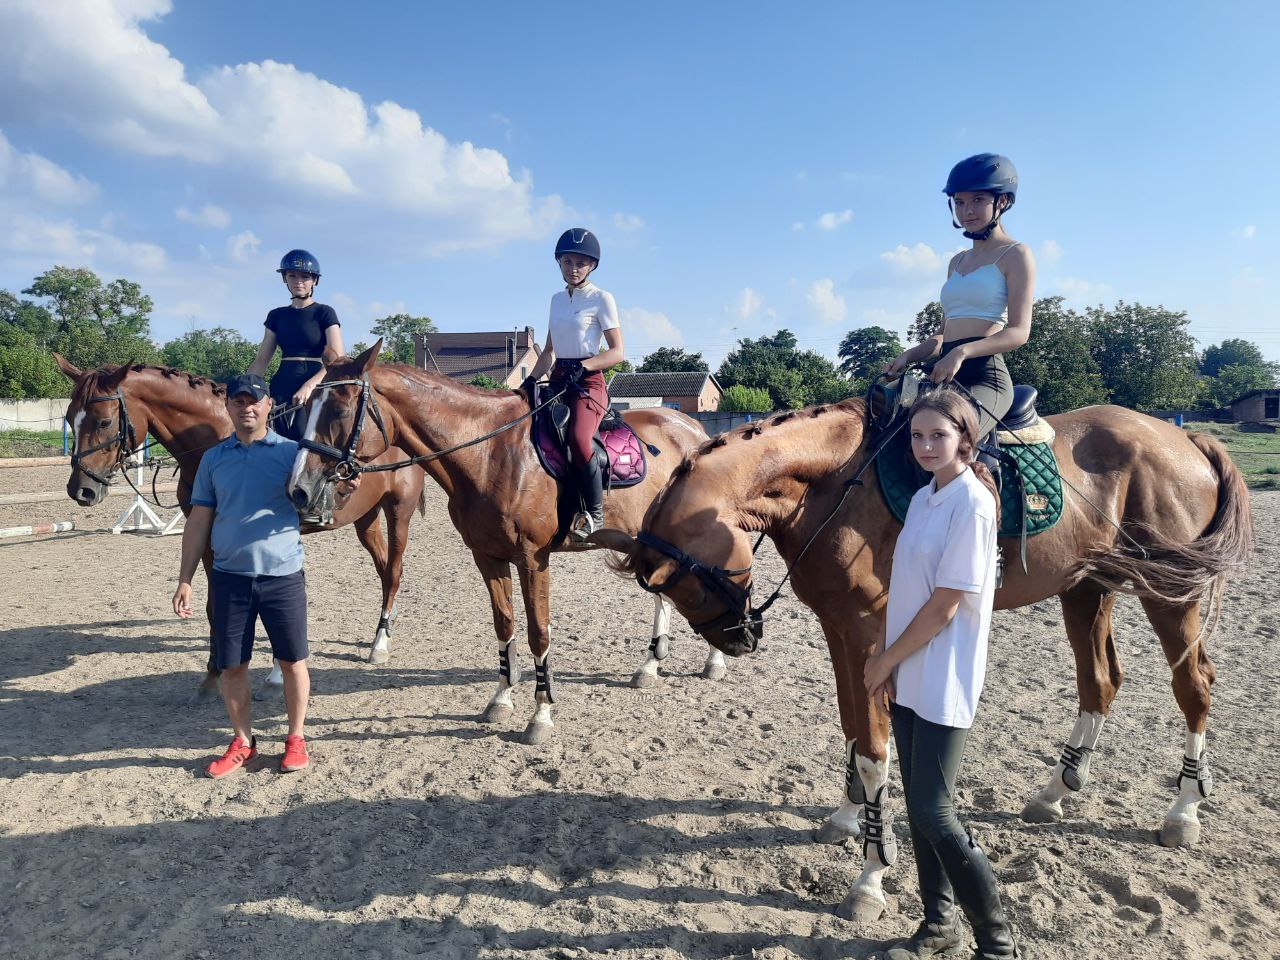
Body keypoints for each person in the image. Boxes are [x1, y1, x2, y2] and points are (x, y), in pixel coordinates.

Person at [862, 388, 1017, 960]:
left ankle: (997, 944)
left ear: (965, 440)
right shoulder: (927, 497)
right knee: (921, 805)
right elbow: (905, 590)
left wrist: (885, 658)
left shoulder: (971, 504)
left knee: (934, 811)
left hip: (943, 671)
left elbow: (945, 603)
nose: (926, 446)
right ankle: (938, 925)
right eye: (918, 435)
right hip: (909, 667)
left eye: (939, 436)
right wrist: (886, 653)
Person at [172, 373, 311, 779]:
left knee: (292, 662)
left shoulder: (293, 454)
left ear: (269, 405)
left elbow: (325, 499)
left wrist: (348, 485)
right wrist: (185, 578)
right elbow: (199, 521)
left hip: (282, 575)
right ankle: (243, 742)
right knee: (232, 666)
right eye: (238, 401)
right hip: (230, 578)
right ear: (228, 407)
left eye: (255, 401)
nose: (246, 407)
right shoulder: (214, 459)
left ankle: (296, 738)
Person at [885, 154, 1036, 439]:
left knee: (947, 440)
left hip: (985, 377)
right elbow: (942, 336)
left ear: (1002, 201)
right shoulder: (956, 262)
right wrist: (908, 355)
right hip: (943, 374)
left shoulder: (1016, 255)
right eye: (960, 202)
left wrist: (961, 352)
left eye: (978, 200)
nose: (966, 211)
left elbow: (1019, 332)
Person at [524, 228, 625, 541]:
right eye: (567, 261)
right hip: (558, 380)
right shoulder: (556, 301)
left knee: (580, 440)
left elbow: (617, 352)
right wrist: (529, 380)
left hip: (588, 383)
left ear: (591, 265)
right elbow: (550, 351)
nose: (573, 267)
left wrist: (585, 367)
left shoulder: (602, 299)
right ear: (559, 263)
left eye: (581, 262)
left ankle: (593, 513)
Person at [249, 249, 344, 442]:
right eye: (292, 275)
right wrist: (243, 386)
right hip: (282, 384)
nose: (298, 281)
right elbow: (261, 360)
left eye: (305, 276)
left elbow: (338, 359)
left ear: (314, 280)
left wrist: (309, 386)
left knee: (307, 437)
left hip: (316, 381)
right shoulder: (276, 315)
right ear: (285, 278)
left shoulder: (325, 313)